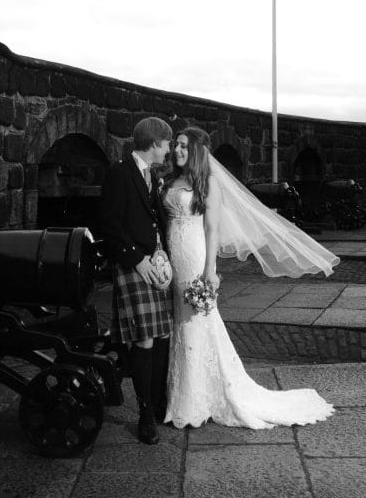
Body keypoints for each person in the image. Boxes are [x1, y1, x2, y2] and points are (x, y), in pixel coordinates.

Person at [163, 126, 339, 429]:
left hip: (193, 257)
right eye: (175, 146)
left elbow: (212, 229)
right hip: (172, 256)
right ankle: (183, 393)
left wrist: (209, 271)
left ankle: (195, 399)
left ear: (195, 151)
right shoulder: (171, 180)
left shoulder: (208, 183)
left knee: (195, 322)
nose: (177, 151)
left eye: (183, 146)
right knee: (181, 321)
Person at [99, 117, 174, 444]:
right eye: (167, 143)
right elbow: (110, 226)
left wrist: (162, 254)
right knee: (143, 339)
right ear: (154, 143)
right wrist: (137, 259)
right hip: (132, 266)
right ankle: (145, 415)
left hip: (152, 264)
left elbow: (155, 222)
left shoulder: (151, 175)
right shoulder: (119, 173)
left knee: (159, 337)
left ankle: (157, 405)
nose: (169, 149)